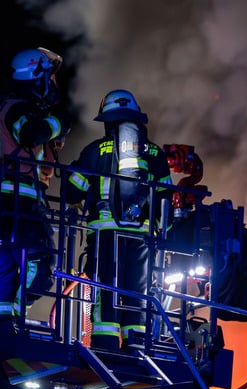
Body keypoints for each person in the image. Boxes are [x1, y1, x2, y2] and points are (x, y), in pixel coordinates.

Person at [65, 89, 172, 351]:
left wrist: (76, 173)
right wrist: (164, 234)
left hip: (105, 235)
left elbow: (72, 191)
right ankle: (137, 346)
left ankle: (105, 344)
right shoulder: (155, 154)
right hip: (143, 237)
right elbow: (167, 200)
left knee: (106, 289)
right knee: (139, 292)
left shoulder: (95, 151)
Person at [0, 47, 70, 323]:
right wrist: (59, 123)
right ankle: (15, 313)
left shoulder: (14, 107)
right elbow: (31, 133)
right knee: (42, 261)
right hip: (19, 199)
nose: (53, 85)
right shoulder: (17, 108)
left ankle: (2, 319)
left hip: (8, 200)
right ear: (36, 77)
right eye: (49, 78)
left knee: (7, 268)